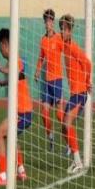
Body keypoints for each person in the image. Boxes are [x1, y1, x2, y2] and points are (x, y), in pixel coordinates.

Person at [0, 28, 33, 186]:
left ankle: (3, 176)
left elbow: (16, 70)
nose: (0, 49)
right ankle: (21, 171)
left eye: (0, 45)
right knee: (10, 137)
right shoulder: (13, 61)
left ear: (5, 44)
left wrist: (2, 69)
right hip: (22, 112)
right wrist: (4, 82)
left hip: (22, 112)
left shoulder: (16, 60)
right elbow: (18, 77)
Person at [59, 14, 91, 174]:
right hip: (74, 93)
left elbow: (88, 63)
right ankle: (76, 160)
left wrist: (87, 82)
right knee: (63, 128)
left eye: (65, 29)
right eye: (61, 28)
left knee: (67, 124)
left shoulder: (73, 47)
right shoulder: (64, 45)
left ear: (70, 31)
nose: (62, 31)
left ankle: (78, 162)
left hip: (80, 92)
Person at [34, 9, 64, 151]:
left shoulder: (59, 38)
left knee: (59, 115)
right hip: (47, 82)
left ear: (53, 22)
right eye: (46, 21)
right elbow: (41, 58)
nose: (48, 23)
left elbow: (67, 50)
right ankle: (50, 136)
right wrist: (37, 71)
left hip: (57, 80)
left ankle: (69, 143)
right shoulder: (43, 40)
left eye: (50, 21)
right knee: (44, 113)